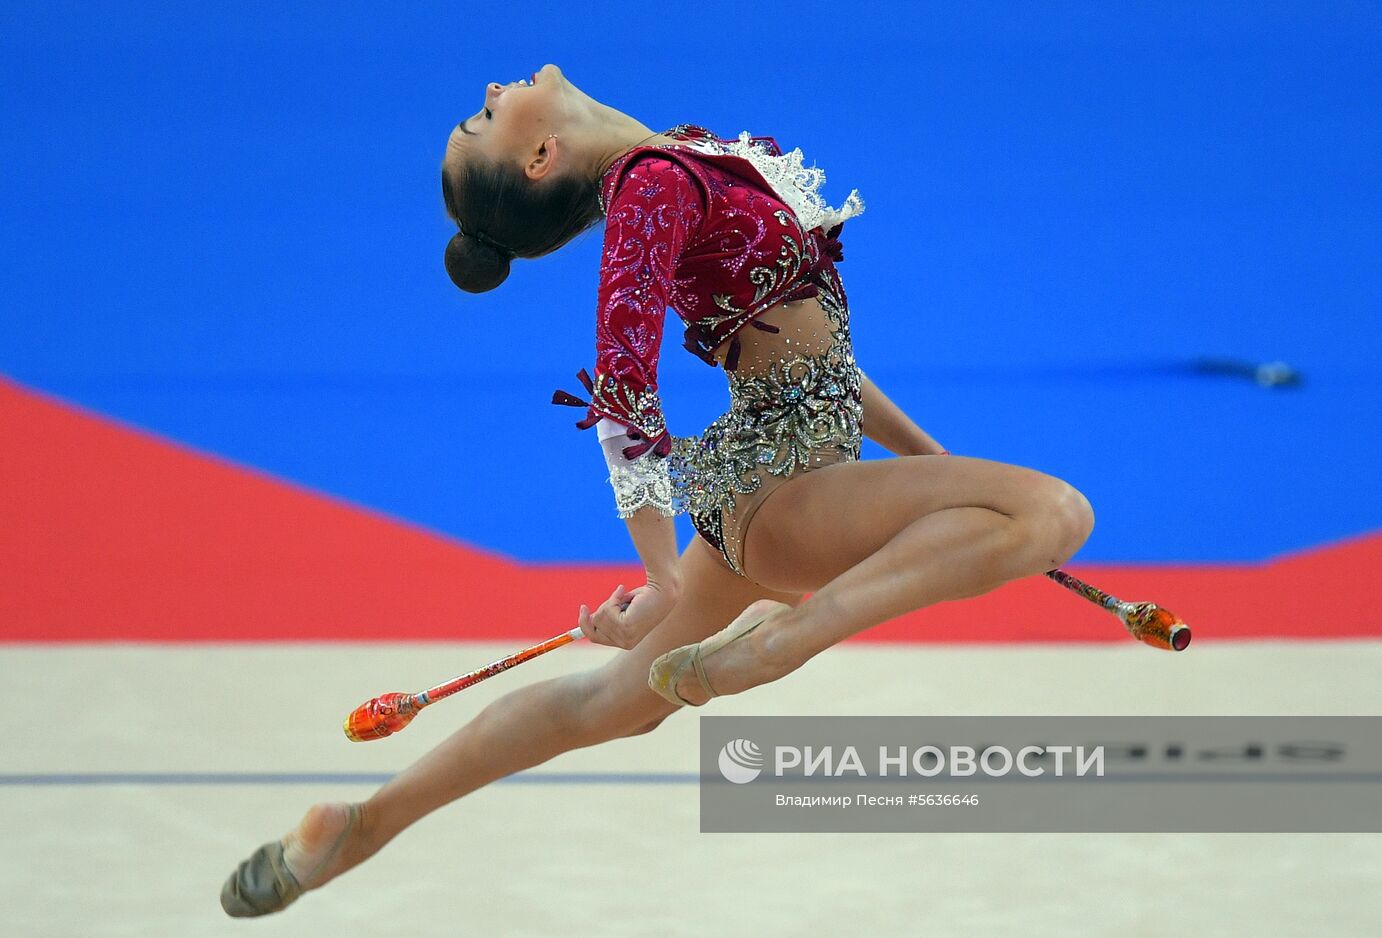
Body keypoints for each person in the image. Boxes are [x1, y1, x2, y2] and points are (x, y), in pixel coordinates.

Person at [220, 62, 1094, 917]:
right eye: (482, 119)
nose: (490, 93)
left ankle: (361, 828)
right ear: (539, 159)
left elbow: (825, 373)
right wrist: (661, 577)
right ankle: (784, 641)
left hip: (790, 473)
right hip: (781, 489)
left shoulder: (673, 162)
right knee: (1054, 511)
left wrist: (929, 465)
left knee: (612, 704)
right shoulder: (648, 186)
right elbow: (622, 384)